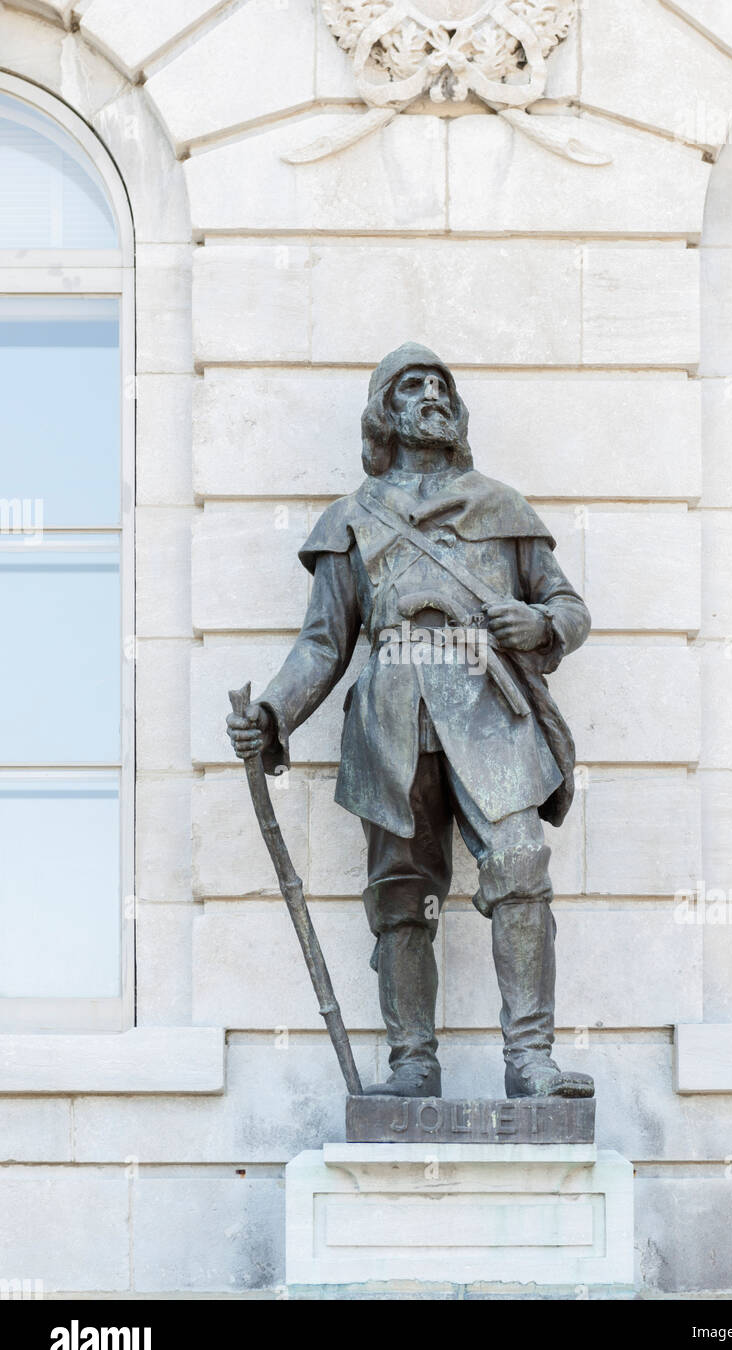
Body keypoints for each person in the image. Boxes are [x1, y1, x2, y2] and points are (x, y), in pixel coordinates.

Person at [227, 343, 593, 1100]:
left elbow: (568, 608)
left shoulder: (502, 506)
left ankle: (531, 1062)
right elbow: (324, 643)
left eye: (440, 385)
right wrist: (273, 714)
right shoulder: (352, 521)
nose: (431, 395)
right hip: (392, 714)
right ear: (384, 411)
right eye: (412, 386)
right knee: (401, 891)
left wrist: (540, 625)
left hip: (490, 708)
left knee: (520, 865)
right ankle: (411, 1065)